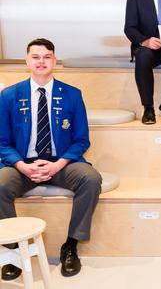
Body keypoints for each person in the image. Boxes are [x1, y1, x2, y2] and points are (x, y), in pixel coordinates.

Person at [0, 38, 102, 279]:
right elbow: (2, 142)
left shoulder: (72, 95)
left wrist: (59, 163)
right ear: (27, 61)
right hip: (23, 163)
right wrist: (22, 166)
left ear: (54, 61)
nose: (41, 61)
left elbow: (81, 139)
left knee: (90, 179)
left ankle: (71, 245)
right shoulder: (9, 96)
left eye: (47, 57)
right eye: (36, 57)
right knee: (0, 183)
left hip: (61, 163)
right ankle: (15, 249)